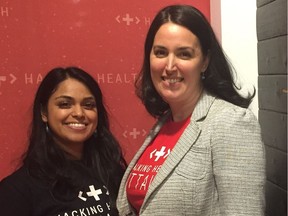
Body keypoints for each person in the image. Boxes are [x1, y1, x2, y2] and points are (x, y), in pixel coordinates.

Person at [117, 4, 265, 216]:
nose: (169, 66)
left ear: (204, 61)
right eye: (160, 52)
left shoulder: (231, 122)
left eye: (184, 54)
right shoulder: (164, 123)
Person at [0, 67, 126, 216]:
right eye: (65, 104)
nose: (79, 113)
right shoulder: (17, 190)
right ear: (44, 113)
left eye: (88, 105)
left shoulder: (114, 173)